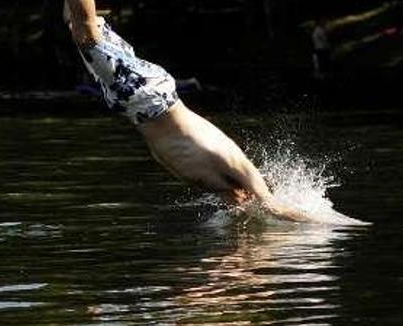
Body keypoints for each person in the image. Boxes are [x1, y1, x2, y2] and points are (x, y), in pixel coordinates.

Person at [64, 0, 314, 222]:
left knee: (80, 25)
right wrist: (329, 226)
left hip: (145, 101)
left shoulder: (222, 183)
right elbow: (273, 206)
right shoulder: (232, 165)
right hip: (146, 99)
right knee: (86, 34)